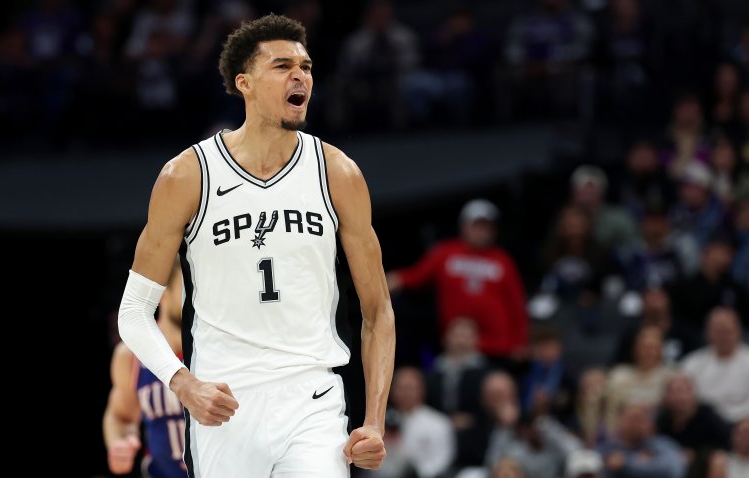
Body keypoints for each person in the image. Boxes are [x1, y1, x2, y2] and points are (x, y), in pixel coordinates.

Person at [116, 14, 395, 478]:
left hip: (313, 399)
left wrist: (375, 422)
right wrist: (183, 384)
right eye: (283, 66)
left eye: (305, 67)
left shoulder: (337, 173)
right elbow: (132, 311)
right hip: (225, 401)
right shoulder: (187, 175)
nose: (300, 75)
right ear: (244, 82)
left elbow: (378, 310)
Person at [388, 199, 529, 366]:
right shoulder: (445, 253)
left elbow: (516, 303)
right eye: (477, 225)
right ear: (464, 226)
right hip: (457, 345)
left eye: (487, 226)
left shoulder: (503, 260)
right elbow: (417, 276)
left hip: (497, 347)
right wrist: (394, 279)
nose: (482, 231)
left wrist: (521, 342)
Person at [104, 258, 187, 477]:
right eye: (189, 285)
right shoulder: (130, 355)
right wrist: (121, 442)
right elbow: (121, 416)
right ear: (162, 292)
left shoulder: (222, 349)